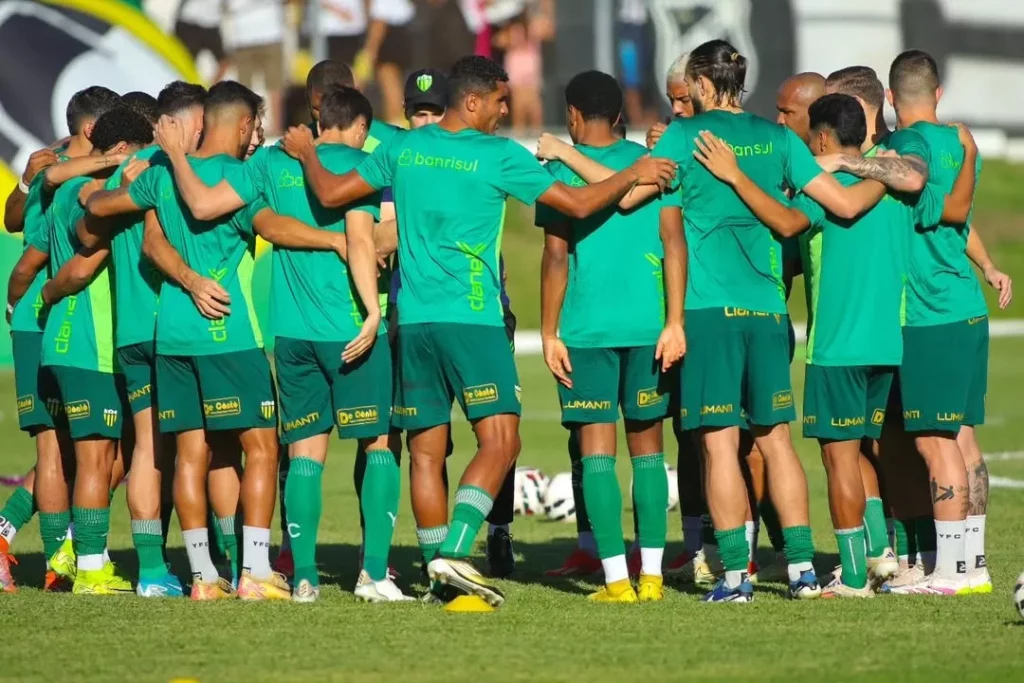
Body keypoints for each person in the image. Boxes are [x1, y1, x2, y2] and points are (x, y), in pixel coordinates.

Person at [276, 55, 675, 606]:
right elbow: (580, 203)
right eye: (499, 101)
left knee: (425, 452)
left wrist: (304, 155)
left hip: (412, 321)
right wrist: (635, 172)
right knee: (502, 439)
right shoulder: (498, 155)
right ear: (472, 101)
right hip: (473, 319)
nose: (505, 110)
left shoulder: (402, 148)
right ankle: (457, 549)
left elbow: (329, 195)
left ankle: (445, 582)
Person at [694, 93, 977, 598]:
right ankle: (883, 558)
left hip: (836, 348)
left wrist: (737, 176)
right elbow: (949, 208)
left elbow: (783, 224)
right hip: (887, 345)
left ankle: (851, 577)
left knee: (838, 458)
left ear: (822, 138)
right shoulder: (894, 191)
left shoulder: (820, 193)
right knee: (868, 452)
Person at [154, 85, 402, 603]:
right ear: (358, 126)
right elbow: (360, 240)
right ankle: (373, 574)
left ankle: (305, 576)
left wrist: (173, 155)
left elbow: (205, 205)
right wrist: (373, 308)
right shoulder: (358, 164)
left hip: (290, 334)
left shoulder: (268, 164)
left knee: (305, 455)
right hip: (348, 327)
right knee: (377, 444)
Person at [84, 81, 287, 601]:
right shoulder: (246, 174)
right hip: (227, 332)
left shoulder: (155, 177)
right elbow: (268, 225)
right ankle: (256, 572)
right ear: (242, 125)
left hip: (169, 334)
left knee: (190, 453)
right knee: (259, 447)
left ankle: (201, 577)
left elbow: (109, 212)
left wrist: (98, 179)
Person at [536, 70, 685, 603]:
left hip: (586, 327)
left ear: (572, 115)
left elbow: (555, 256)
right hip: (649, 325)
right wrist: (675, 320)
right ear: (620, 115)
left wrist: (549, 331)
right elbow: (673, 243)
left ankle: (616, 581)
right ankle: (653, 577)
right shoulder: (659, 167)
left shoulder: (559, 170)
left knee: (596, 451)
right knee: (648, 450)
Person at [77, 82, 211, 598]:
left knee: (147, 449)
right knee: (179, 450)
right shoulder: (165, 165)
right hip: (170, 329)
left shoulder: (111, 181)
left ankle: (159, 566)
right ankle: (164, 569)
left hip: (130, 332)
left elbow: (88, 229)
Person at [1, 86, 123, 593]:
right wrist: (20, 302)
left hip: (44, 318)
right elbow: (20, 235)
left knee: (71, 450)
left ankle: (58, 556)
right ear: (94, 130)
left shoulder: (57, 164)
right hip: (50, 315)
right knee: (73, 449)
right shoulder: (74, 173)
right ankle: (53, 552)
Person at [33, 107, 157, 595]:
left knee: (98, 456)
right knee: (94, 459)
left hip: (62, 339)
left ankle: (81, 554)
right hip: (88, 342)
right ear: (123, 149)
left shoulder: (61, 190)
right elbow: (83, 265)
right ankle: (89, 567)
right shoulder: (90, 194)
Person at [224, 0, 285, 134]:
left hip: (270, 35)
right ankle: (247, 129)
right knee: (244, 88)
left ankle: (276, 129)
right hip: (244, 37)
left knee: (275, 85)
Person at [359, 0, 416, 124]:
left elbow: (380, 21)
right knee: (391, 87)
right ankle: (396, 125)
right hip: (395, 33)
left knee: (390, 86)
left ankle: (396, 127)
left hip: (389, 35)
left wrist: (370, 51)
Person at [174, 0, 230, 84]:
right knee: (184, 61)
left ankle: (208, 90)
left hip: (211, 24)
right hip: (189, 23)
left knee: (224, 62)